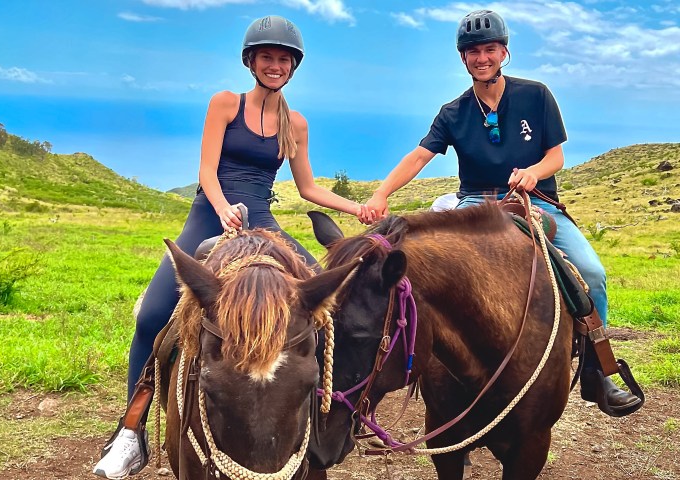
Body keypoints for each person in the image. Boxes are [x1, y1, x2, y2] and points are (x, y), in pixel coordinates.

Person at [93, 15, 369, 479]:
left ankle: (324, 425)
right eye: (267, 56)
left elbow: (307, 188)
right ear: (251, 61)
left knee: (327, 307)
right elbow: (206, 170)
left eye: (284, 58)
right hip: (210, 211)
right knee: (152, 315)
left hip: (261, 216)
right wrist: (222, 209)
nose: (275, 65)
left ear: (293, 66)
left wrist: (357, 208)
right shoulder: (225, 103)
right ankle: (131, 432)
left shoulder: (294, 123)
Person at [362, 9, 642, 418]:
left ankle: (598, 372)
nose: (481, 58)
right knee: (439, 274)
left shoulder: (536, 95)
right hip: (476, 201)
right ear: (463, 58)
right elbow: (421, 155)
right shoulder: (453, 112)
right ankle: (439, 377)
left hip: (537, 200)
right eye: (473, 51)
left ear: (503, 52)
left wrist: (532, 174)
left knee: (592, 272)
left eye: (489, 49)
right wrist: (381, 193)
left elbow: (556, 156)